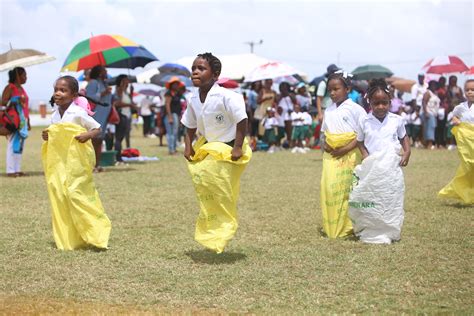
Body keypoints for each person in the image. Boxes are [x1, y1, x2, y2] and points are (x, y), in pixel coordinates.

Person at [181, 52, 251, 253]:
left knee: (221, 191)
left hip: (229, 147)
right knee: (207, 188)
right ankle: (214, 229)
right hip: (209, 146)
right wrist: (188, 145)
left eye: (201, 68)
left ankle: (224, 226)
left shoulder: (227, 96)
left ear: (215, 74)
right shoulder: (193, 97)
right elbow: (189, 124)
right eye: (193, 68)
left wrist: (237, 147)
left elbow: (242, 120)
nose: (195, 72)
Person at [42, 76, 111, 250]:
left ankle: (96, 231)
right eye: (56, 89)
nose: (58, 93)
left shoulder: (78, 112)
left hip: (76, 161)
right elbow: (54, 135)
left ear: (73, 95)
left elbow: (96, 128)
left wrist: (86, 135)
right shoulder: (55, 114)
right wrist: (47, 136)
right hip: (59, 161)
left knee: (75, 194)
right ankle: (70, 238)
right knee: (61, 194)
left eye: (63, 90)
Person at [351, 79, 410, 244]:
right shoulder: (364, 121)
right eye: (376, 103)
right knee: (374, 197)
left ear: (390, 101)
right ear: (369, 102)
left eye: (385, 103)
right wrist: (365, 155)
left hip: (391, 167)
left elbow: (403, 137)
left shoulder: (396, 120)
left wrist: (407, 152)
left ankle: (390, 230)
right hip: (373, 167)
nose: (381, 107)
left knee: (391, 198)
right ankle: (372, 229)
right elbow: (360, 141)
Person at [320, 71, 366, 238]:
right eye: (329, 90)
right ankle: (333, 225)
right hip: (331, 157)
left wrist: (344, 149)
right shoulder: (329, 110)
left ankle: (349, 226)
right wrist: (326, 145)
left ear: (347, 89)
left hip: (350, 156)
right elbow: (324, 132)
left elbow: (361, 135)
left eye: (336, 89)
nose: (332, 93)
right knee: (330, 189)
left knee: (348, 190)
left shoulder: (356, 109)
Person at [439, 79, 474, 204]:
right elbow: (454, 116)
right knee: (468, 165)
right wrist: (456, 120)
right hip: (466, 142)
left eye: (473, 89)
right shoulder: (461, 107)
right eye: (467, 90)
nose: (470, 92)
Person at [1, 67, 30, 177]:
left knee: (20, 145)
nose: (26, 78)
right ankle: (10, 170)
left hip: (22, 120)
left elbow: (25, 106)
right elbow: (3, 102)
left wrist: (28, 121)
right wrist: (13, 100)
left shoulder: (21, 89)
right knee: (12, 143)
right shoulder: (10, 88)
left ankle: (17, 169)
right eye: (24, 75)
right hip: (14, 120)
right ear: (17, 76)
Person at [85, 65, 112, 172]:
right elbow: (89, 97)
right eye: (105, 71)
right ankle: (91, 165)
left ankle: (97, 164)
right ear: (100, 73)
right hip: (96, 115)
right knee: (93, 140)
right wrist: (103, 93)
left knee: (99, 140)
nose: (106, 72)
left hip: (104, 115)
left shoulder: (104, 84)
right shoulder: (93, 83)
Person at [113, 74, 137, 164]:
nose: (128, 82)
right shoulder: (119, 90)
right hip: (121, 116)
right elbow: (116, 103)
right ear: (122, 81)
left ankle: (118, 156)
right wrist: (130, 105)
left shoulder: (126, 92)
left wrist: (131, 93)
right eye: (126, 80)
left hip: (126, 116)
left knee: (122, 137)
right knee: (119, 138)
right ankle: (118, 157)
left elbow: (129, 102)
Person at [163, 77, 184, 155]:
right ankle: (171, 150)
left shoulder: (178, 94)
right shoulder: (168, 93)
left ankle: (174, 149)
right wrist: (170, 116)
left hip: (176, 115)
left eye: (177, 84)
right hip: (170, 115)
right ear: (171, 85)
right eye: (174, 84)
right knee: (170, 133)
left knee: (175, 133)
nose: (176, 85)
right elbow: (167, 105)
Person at [422, 80, 440, 149]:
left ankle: (428, 143)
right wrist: (426, 112)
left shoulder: (435, 93)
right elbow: (424, 102)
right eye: (433, 85)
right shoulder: (428, 93)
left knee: (432, 127)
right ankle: (429, 143)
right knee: (430, 128)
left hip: (434, 113)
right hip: (429, 112)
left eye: (435, 85)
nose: (434, 87)